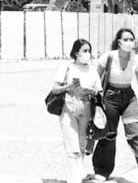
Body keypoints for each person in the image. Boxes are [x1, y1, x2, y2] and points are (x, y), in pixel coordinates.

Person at [91, 28, 138, 183]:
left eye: (131, 39)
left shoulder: (136, 59)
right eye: (126, 39)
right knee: (109, 134)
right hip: (110, 97)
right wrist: (96, 97)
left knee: (135, 134)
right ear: (119, 41)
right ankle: (102, 170)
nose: (129, 42)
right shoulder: (108, 57)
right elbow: (95, 76)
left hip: (129, 98)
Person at [49, 39, 102, 183]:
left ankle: (75, 177)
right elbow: (55, 88)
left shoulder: (92, 70)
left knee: (82, 147)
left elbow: (99, 91)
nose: (87, 54)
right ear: (76, 52)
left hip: (86, 110)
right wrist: (67, 87)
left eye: (89, 51)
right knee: (73, 150)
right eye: (84, 51)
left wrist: (92, 91)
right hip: (68, 108)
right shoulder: (66, 67)